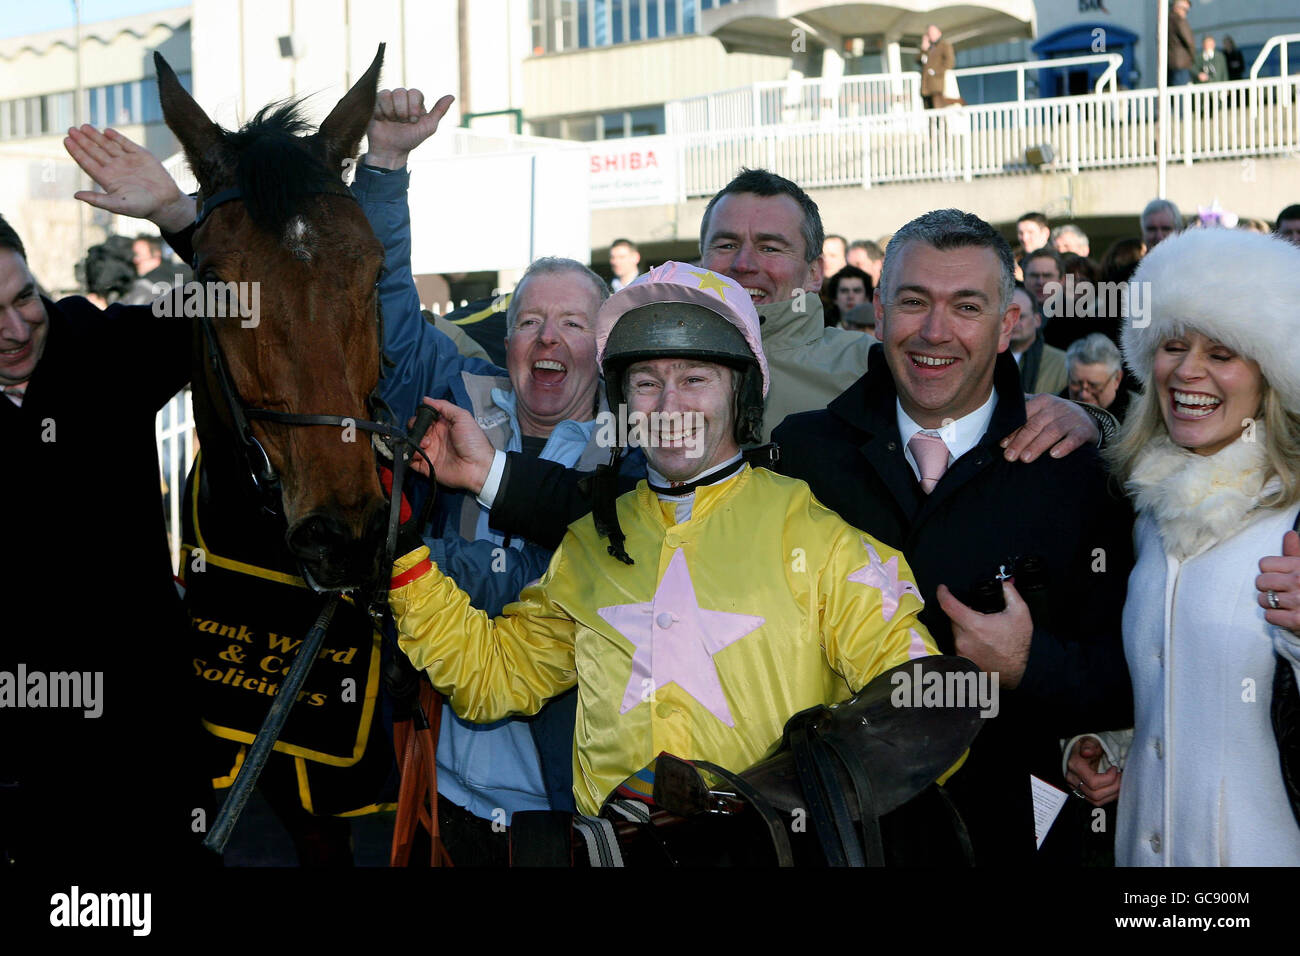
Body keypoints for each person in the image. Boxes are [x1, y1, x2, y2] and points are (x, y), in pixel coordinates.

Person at [390, 260, 947, 826]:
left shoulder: (819, 539)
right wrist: (401, 558)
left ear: (741, 393)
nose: (668, 407)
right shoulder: (590, 542)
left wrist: (773, 806)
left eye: (695, 379)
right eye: (648, 382)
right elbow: (493, 677)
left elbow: (927, 712)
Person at [771, 208, 1134, 865]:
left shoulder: (1080, 474)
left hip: (1016, 842)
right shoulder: (801, 454)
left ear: (1009, 326)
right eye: (913, 301)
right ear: (878, 314)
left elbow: (1135, 670)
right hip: (837, 834)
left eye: (966, 306)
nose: (934, 331)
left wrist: (1031, 663)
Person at [354, 88, 633, 861]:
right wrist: (384, 164)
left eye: (573, 323)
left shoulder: (635, 445)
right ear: (505, 341)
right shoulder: (461, 393)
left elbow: (578, 580)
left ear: (604, 346)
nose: (549, 339)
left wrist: (429, 565)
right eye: (529, 322)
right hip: (441, 793)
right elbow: (383, 312)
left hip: (567, 813)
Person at [1, 127, 209, 867]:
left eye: (23, 296)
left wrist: (179, 216)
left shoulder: (101, 345)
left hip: (148, 727)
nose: (15, 327)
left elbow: (247, 300)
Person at [1064, 228, 1300, 865]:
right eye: (1172, 345)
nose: (1188, 370)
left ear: (1271, 376)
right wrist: (1118, 742)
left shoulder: (1295, 521)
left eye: (1222, 352)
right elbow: (1185, 687)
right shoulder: (1146, 511)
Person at [1008, 281, 1068, 396]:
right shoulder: (985, 359)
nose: (1013, 324)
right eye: (1007, 317)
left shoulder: (1062, 363)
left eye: (1021, 317)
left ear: (1037, 320)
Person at [1062, 333, 1128, 421]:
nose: (1084, 395)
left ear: (1117, 379)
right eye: (1076, 383)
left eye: (1094, 386)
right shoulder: (1051, 410)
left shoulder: (1136, 422)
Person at [917, 24, 955, 109]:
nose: (931, 35)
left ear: (939, 33)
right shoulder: (928, 48)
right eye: (929, 33)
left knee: (939, 111)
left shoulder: (945, 46)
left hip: (937, 86)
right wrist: (923, 49)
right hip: (925, 86)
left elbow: (949, 62)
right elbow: (918, 60)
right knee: (929, 112)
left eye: (933, 33)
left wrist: (935, 72)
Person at [1168, 0, 1196, 87]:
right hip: (1181, 64)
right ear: (1177, 7)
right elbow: (1189, 41)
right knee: (1180, 94)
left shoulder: (1166, 20)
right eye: (1185, 10)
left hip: (1169, 63)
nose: (1186, 13)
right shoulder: (1179, 20)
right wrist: (1192, 58)